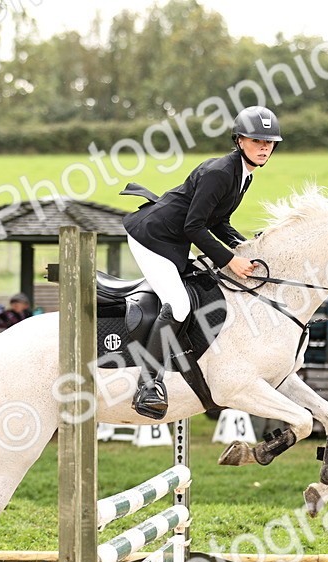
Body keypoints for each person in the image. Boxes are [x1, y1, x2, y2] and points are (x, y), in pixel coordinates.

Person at [121, 105, 281, 419]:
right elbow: (194, 226)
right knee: (178, 304)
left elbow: (219, 221)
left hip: (175, 239)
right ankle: (148, 384)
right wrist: (230, 260)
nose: (264, 147)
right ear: (239, 141)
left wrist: (245, 247)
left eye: (270, 142)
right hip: (152, 237)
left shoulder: (243, 175)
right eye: (256, 140)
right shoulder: (221, 173)